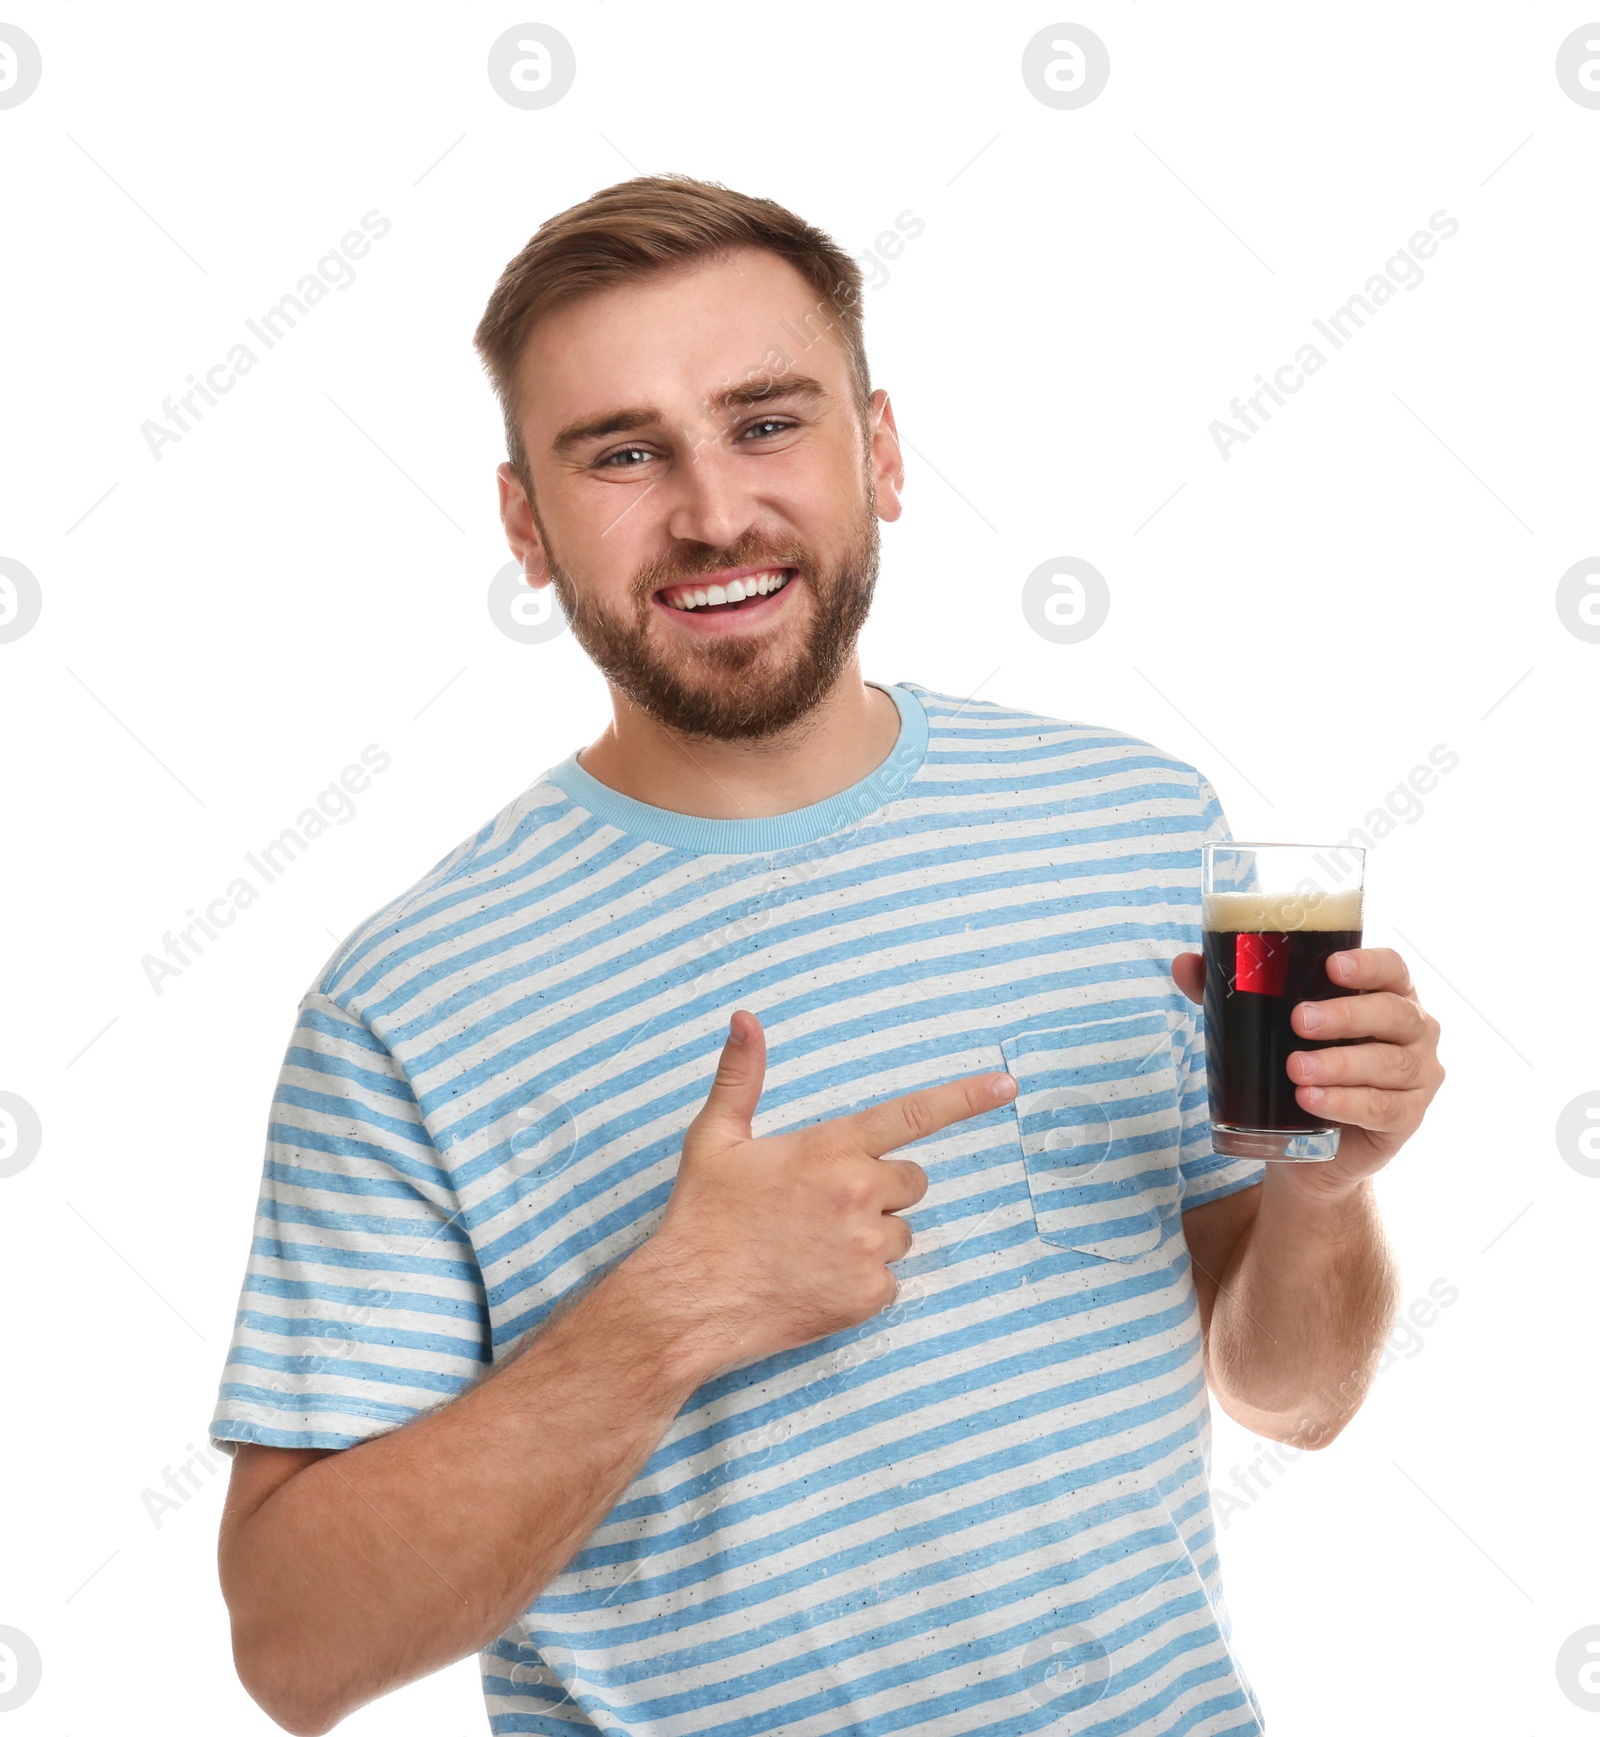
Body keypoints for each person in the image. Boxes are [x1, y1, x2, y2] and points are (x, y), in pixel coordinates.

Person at [211, 175, 1445, 1736]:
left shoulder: (1134, 819)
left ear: (882, 451)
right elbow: (295, 1648)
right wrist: (672, 1309)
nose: (715, 511)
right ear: (526, 522)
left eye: (766, 422)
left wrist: (1323, 1186)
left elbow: (1290, 1395)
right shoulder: (408, 1003)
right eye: (625, 453)